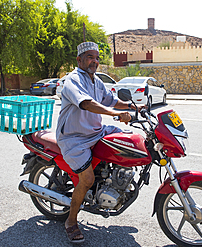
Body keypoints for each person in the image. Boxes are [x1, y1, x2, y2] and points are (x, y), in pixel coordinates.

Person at [56, 42, 139, 243]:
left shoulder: (95, 80)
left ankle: (112, 182)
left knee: (127, 141)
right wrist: (115, 114)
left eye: (97, 57)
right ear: (79, 59)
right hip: (75, 138)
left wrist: (136, 106)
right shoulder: (72, 80)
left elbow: (110, 100)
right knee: (87, 179)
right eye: (90, 57)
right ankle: (71, 221)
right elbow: (86, 103)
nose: (95, 61)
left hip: (95, 132)